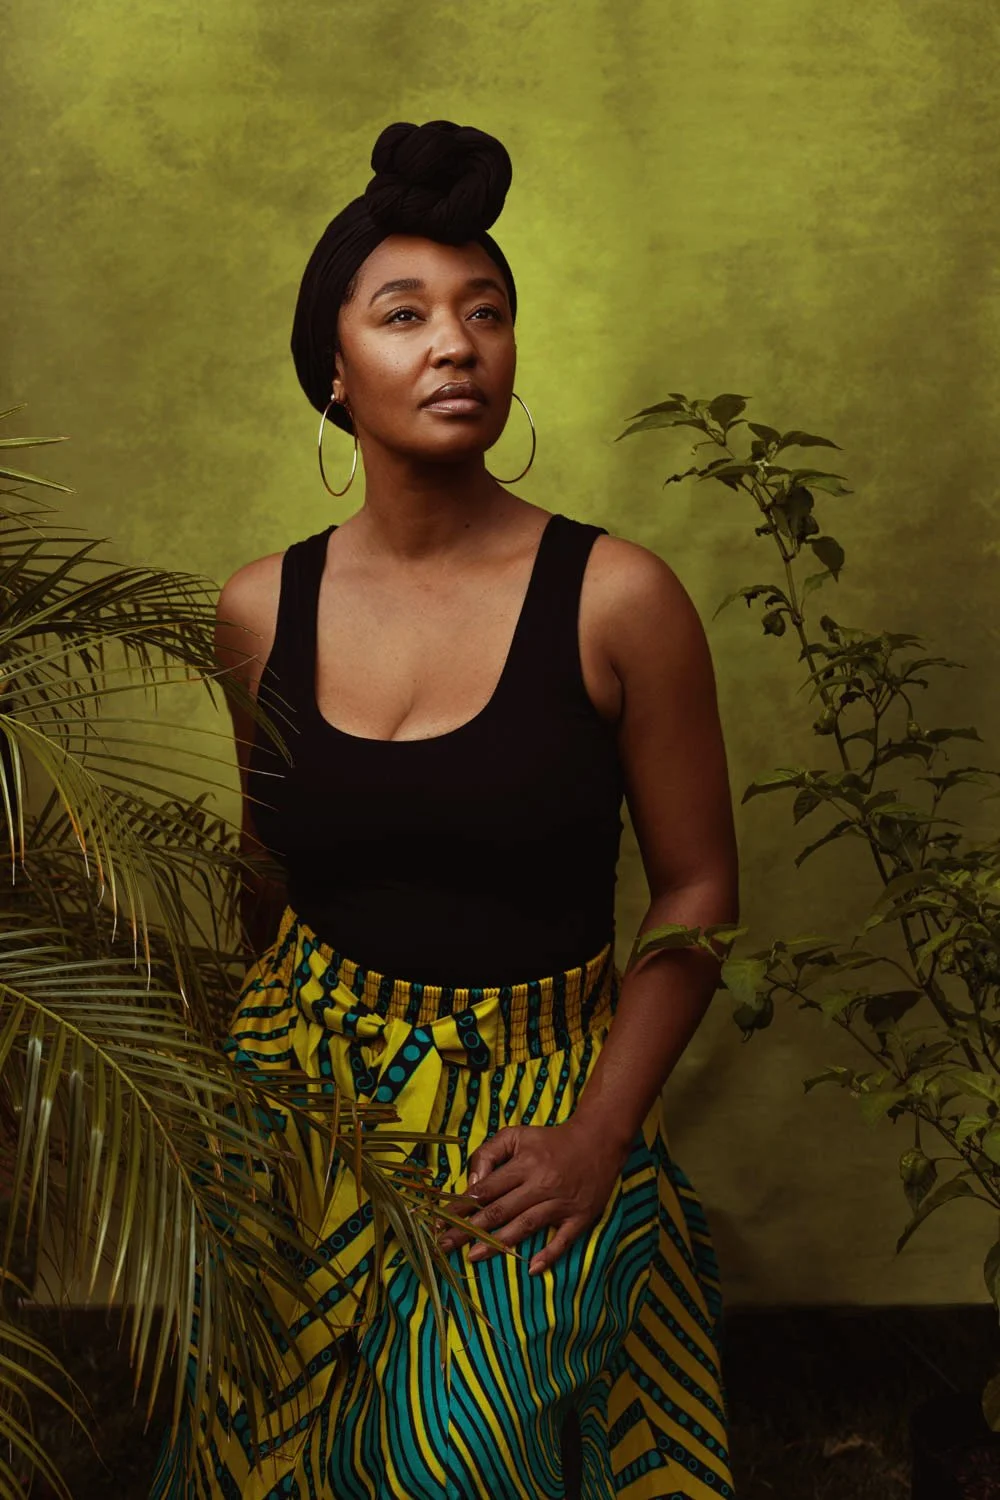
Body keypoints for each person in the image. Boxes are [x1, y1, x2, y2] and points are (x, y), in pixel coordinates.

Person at [153, 118, 738, 1500]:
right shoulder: (259, 609)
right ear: (334, 371)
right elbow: (265, 868)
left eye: (486, 312)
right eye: (404, 313)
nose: (455, 344)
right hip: (301, 1094)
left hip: (538, 1106)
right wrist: (243, 1096)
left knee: (442, 1465)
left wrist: (598, 1138)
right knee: (257, 1460)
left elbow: (699, 892)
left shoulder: (619, 600)